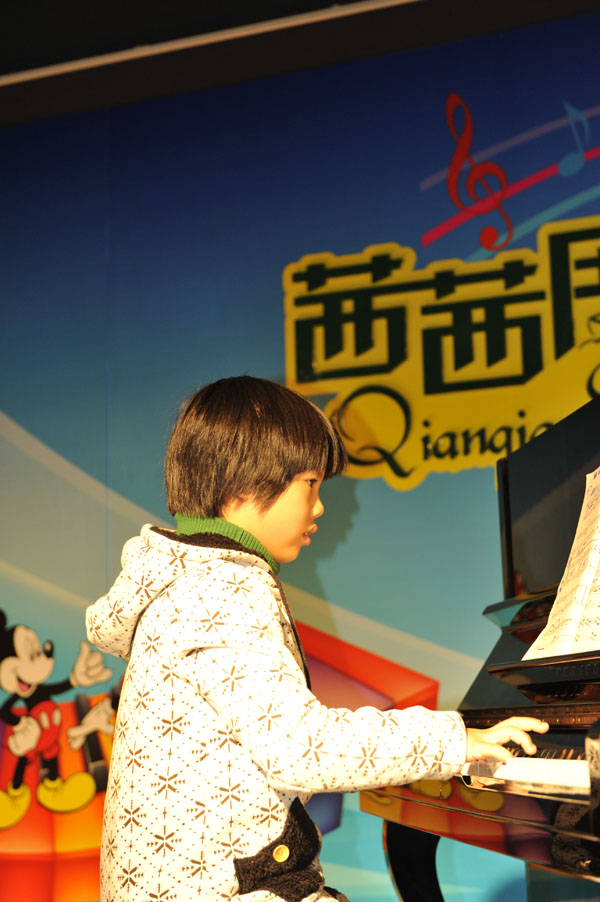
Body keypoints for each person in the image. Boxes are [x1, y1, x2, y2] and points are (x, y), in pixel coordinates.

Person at [86, 375, 548, 902]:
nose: (321, 506)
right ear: (242, 485)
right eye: (310, 484)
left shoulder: (185, 580)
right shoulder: (222, 588)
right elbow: (301, 748)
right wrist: (454, 742)